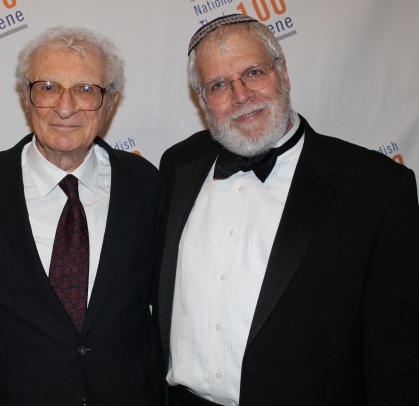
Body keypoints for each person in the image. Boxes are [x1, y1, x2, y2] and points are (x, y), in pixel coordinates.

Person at [154, 14, 419, 406]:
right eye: (219, 84)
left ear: (283, 72)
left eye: (254, 72)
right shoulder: (178, 165)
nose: (241, 95)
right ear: (202, 99)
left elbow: (396, 348)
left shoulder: (376, 187)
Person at [0, 27, 163, 405]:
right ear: (25, 96)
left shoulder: (147, 185)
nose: (65, 108)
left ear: (111, 102)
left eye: (86, 90)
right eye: (48, 87)